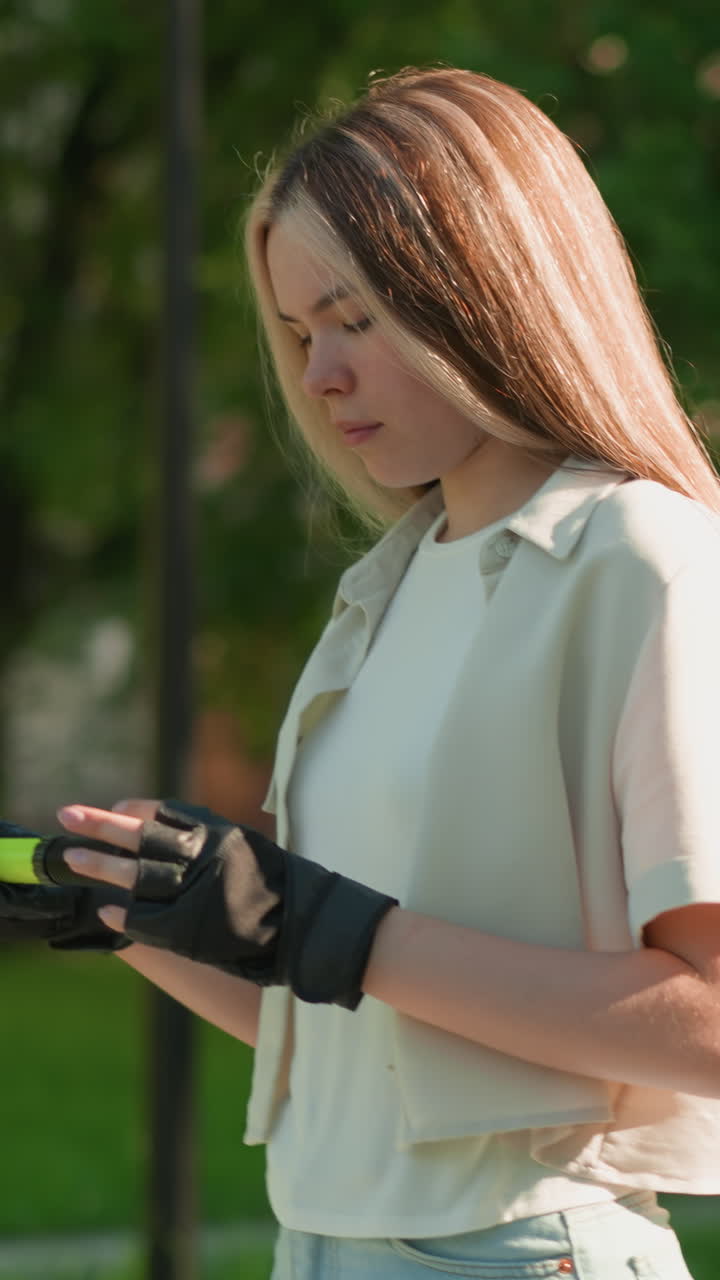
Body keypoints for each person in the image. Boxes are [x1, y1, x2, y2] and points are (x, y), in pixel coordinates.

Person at [5, 65, 720, 1279]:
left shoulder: (639, 557)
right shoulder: (387, 587)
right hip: (320, 1246)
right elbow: (352, 1008)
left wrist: (321, 923)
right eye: (298, 332)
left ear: (487, 289)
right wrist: (138, 920)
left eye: (357, 317)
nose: (319, 374)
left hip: (517, 1249)